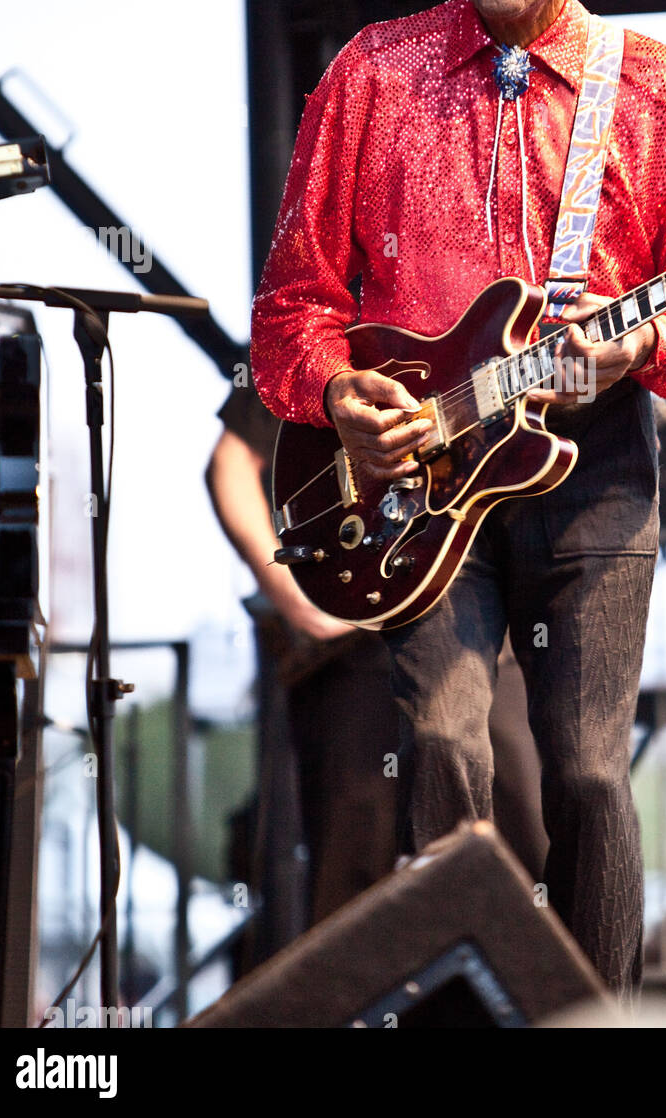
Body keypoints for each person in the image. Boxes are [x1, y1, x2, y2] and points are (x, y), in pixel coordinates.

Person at [251, 0, 666, 999]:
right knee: (440, 739)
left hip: (594, 469)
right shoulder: (373, 72)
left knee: (585, 771)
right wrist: (337, 390)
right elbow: (290, 307)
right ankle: (455, 1011)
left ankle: (596, 1019)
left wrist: (633, 351)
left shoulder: (653, 90)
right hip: (421, 482)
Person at [205, 372, 548, 937]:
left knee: (526, 853)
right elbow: (233, 460)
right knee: (351, 875)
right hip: (358, 650)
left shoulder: (508, 296)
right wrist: (288, 592)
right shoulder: (323, 320)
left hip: (484, 632)